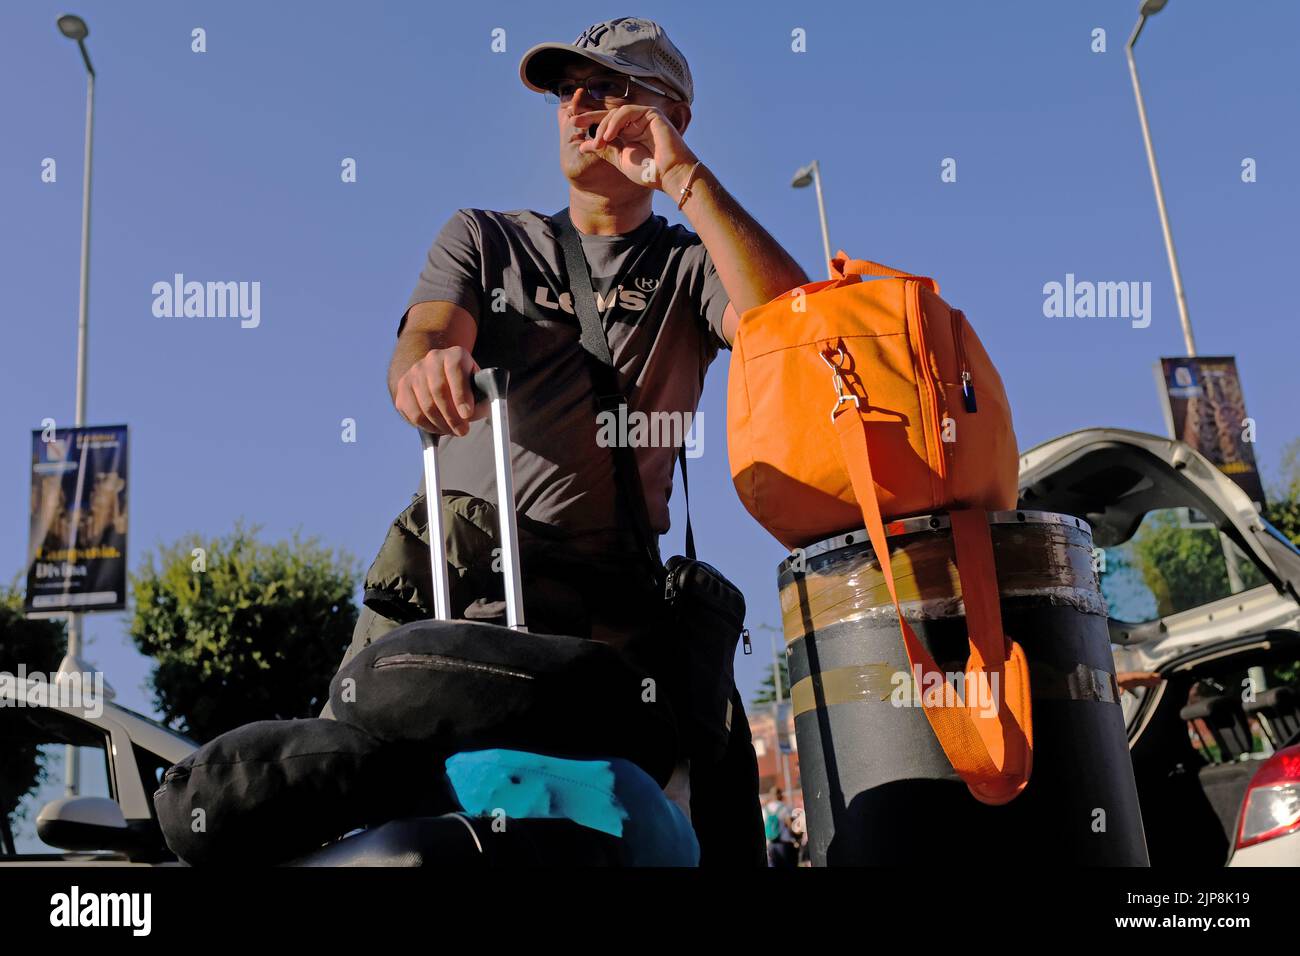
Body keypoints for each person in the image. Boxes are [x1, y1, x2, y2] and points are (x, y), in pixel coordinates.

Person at [323, 17, 807, 867]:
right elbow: (429, 334)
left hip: (613, 627)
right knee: (364, 809)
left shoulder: (692, 269)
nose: (579, 105)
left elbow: (794, 329)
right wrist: (426, 367)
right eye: (566, 90)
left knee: (691, 827)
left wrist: (682, 176)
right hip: (467, 598)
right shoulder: (487, 238)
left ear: (672, 116)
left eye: (609, 87)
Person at [763, 788, 797, 868]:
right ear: (779, 795)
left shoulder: (765, 809)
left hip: (770, 844)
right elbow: (790, 825)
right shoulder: (785, 807)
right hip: (784, 843)